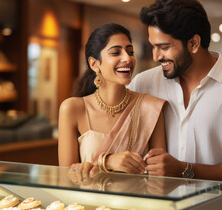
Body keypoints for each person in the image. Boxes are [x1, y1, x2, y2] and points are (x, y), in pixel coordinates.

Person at [128, 0, 222, 210]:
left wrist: (185, 170)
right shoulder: (143, 84)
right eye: (152, 46)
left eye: (164, 47)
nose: (156, 56)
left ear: (194, 43)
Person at [58, 23, 166, 181]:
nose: (127, 58)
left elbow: (160, 177)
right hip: (87, 203)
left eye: (130, 52)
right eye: (116, 52)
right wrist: (106, 161)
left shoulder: (150, 107)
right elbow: (66, 173)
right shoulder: (73, 108)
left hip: (137, 203)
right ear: (94, 64)